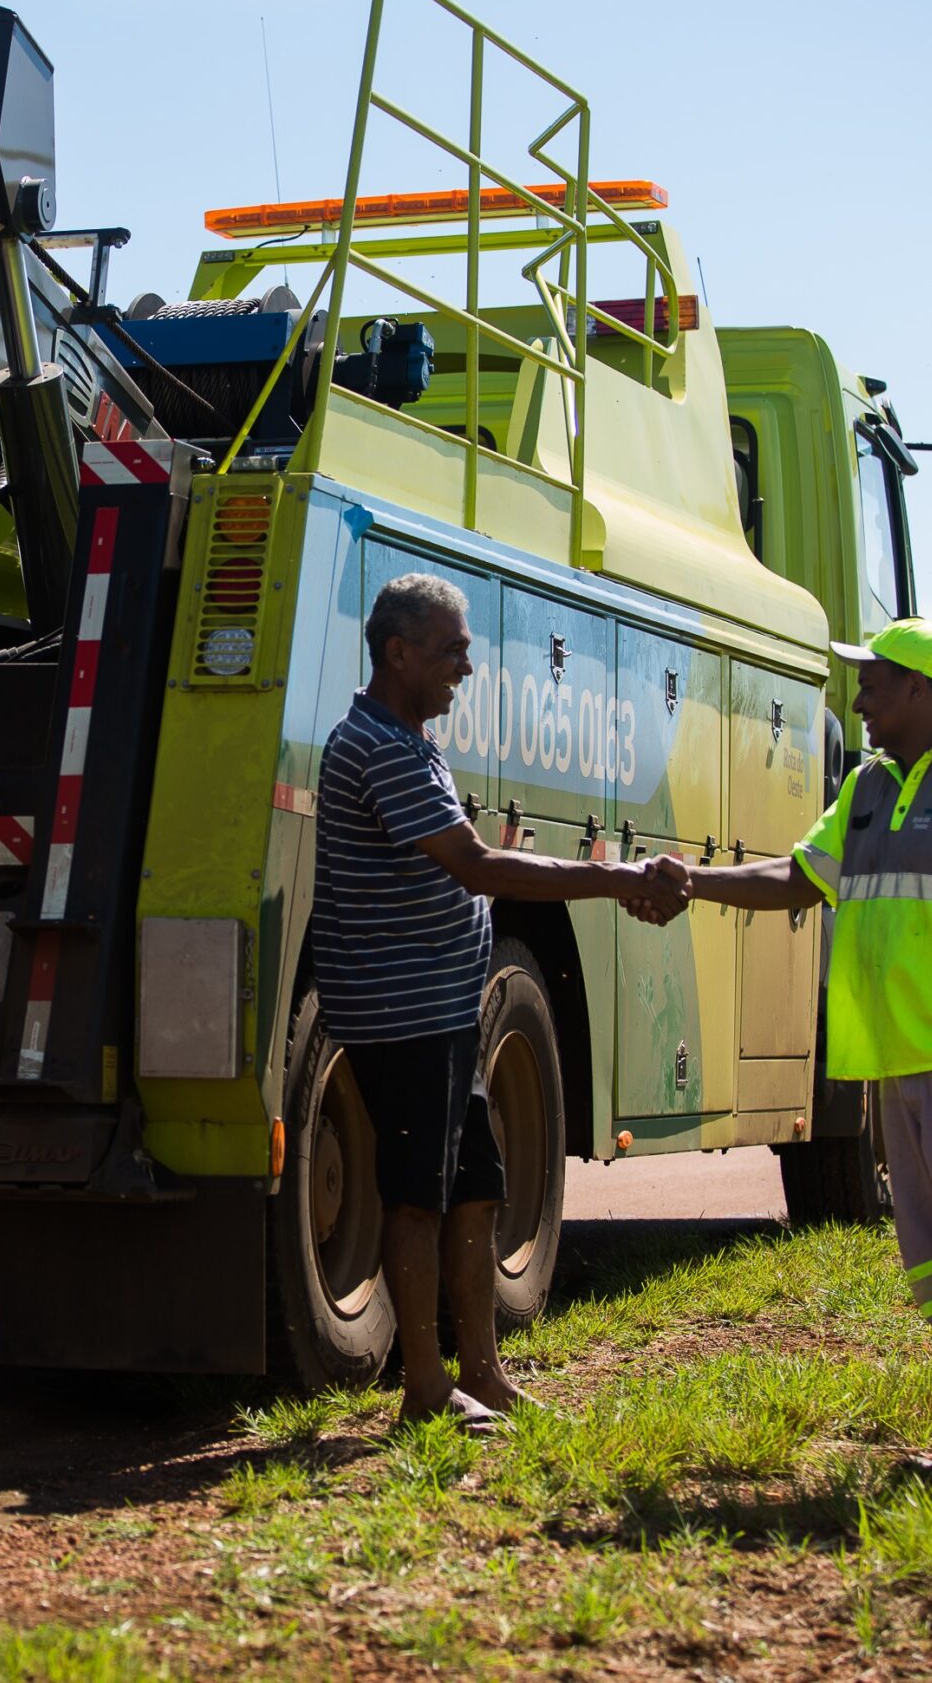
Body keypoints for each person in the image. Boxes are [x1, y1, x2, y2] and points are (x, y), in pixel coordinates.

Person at [679, 616, 932, 1486]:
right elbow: (794, 879)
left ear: (921, 691)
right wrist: (693, 880)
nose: (860, 699)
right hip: (901, 1068)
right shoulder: (868, 790)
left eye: (874, 683)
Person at [312, 573, 689, 1430]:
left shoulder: (406, 739)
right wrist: (615, 876)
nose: (465, 669)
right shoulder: (372, 745)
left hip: (444, 1012)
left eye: (468, 652)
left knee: (476, 1185)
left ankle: (481, 1371)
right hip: (403, 1015)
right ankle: (423, 1388)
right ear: (397, 651)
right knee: (417, 1196)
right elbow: (477, 866)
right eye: (452, 651)